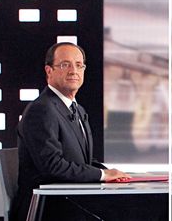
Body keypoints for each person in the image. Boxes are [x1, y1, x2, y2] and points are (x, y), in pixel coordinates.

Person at [10, 42, 131, 221]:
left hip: (71, 203)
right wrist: (103, 175)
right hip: (48, 210)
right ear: (48, 71)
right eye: (65, 64)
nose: (74, 70)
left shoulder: (77, 109)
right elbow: (52, 166)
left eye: (79, 65)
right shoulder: (41, 110)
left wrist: (114, 173)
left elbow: (83, 161)